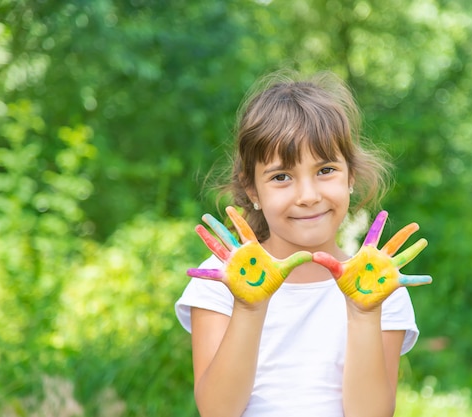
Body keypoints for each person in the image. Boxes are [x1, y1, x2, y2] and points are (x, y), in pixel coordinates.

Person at [175, 70, 430, 417]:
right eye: (281, 177)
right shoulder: (222, 278)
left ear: (350, 176)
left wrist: (363, 313)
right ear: (253, 190)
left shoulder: (380, 286)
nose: (308, 196)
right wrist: (249, 308)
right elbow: (217, 411)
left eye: (325, 170)